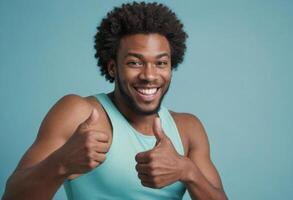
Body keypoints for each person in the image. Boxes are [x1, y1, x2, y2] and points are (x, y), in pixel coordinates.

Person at [3, 2, 228, 200]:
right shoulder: (80, 114)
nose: (150, 75)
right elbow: (12, 196)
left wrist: (187, 171)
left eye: (160, 63)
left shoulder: (188, 129)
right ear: (113, 67)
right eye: (134, 62)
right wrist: (61, 163)